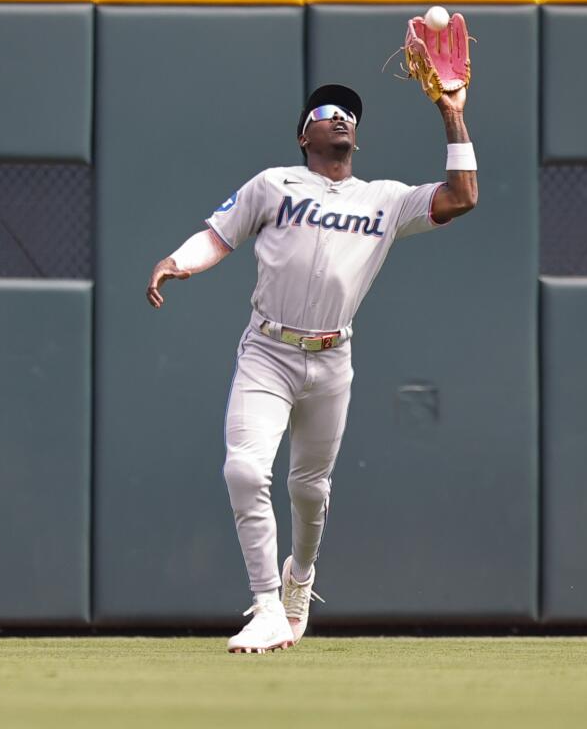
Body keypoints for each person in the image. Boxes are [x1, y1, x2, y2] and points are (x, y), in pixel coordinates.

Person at [146, 81, 477, 653]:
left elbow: (462, 196)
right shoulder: (275, 184)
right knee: (245, 472)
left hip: (331, 359)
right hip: (268, 352)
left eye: (350, 112)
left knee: (309, 489)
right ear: (305, 134)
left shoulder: (385, 199)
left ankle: (301, 577)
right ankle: (268, 605)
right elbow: (218, 236)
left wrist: (452, 115)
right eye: (328, 111)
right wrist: (176, 262)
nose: (342, 116)